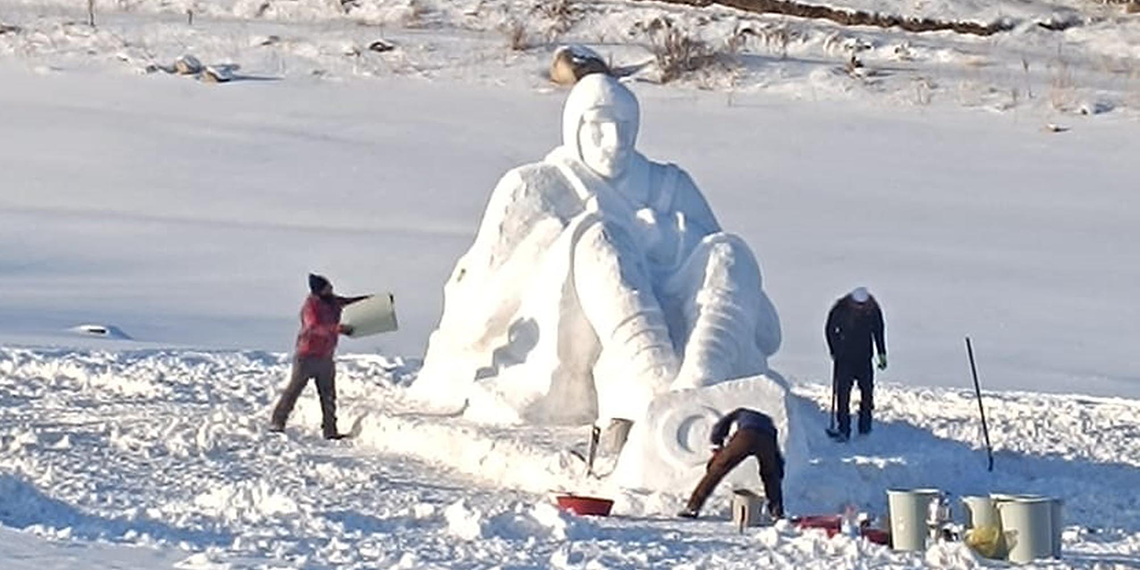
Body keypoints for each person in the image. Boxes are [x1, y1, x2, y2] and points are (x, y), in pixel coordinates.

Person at [412, 73, 781, 429]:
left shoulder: (670, 186)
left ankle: (699, 388)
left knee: (728, 250)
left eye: (625, 126)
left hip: (684, 322)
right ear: (574, 127)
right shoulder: (537, 186)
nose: (615, 140)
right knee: (600, 236)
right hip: (577, 327)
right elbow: (480, 306)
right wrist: (551, 241)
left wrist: (672, 238)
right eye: (599, 126)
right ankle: (651, 390)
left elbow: (762, 323)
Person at [270, 274, 369, 439]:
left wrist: (370, 301)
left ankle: (330, 431)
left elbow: (349, 302)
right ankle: (277, 422)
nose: (331, 288)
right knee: (293, 391)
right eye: (327, 286)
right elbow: (314, 326)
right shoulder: (311, 306)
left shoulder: (333, 301)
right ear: (319, 290)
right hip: (306, 357)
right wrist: (337, 329)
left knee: (328, 395)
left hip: (326, 358)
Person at [678, 407, 784, 519]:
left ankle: (692, 508)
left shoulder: (740, 412)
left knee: (716, 471)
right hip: (766, 441)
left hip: (745, 436)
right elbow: (776, 454)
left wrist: (717, 443)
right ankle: (776, 512)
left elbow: (721, 425)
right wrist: (778, 471)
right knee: (770, 476)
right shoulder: (769, 424)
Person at [825, 287, 887, 441]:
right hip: (844, 358)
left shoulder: (873, 310)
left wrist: (882, 353)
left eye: (863, 305)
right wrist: (835, 348)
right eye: (857, 305)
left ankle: (865, 426)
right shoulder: (841, 308)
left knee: (867, 392)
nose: (860, 308)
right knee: (843, 393)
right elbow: (830, 329)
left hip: (864, 358)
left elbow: (878, 331)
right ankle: (843, 429)